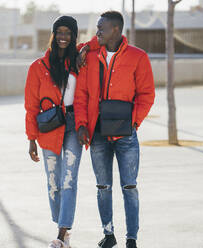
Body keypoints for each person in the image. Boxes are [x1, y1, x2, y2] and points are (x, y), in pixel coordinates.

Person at [74, 11, 155, 248]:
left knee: (129, 187)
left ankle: (132, 238)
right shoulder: (89, 56)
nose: (97, 32)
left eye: (101, 28)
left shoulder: (138, 57)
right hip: (97, 134)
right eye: (97, 28)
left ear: (116, 30)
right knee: (103, 187)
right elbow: (81, 95)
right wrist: (81, 124)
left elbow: (147, 94)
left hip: (126, 135)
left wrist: (133, 122)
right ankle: (108, 234)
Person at [24, 16, 99, 248]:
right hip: (49, 126)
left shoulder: (78, 60)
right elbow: (31, 105)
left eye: (69, 33)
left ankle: (62, 231)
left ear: (74, 36)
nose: (63, 37)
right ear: (54, 35)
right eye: (60, 32)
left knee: (69, 179)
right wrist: (31, 139)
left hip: (75, 123)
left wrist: (85, 47)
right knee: (53, 181)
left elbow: (100, 41)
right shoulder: (38, 67)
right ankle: (63, 229)